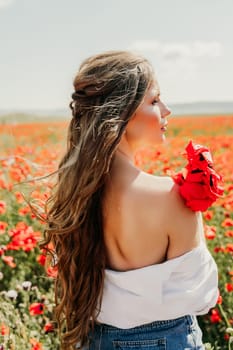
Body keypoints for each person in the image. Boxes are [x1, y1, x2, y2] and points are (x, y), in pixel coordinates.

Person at [42, 50, 218, 350]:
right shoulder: (169, 196)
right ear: (122, 112)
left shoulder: (76, 193)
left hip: (96, 339)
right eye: (154, 100)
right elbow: (202, 294)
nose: (167, 110)